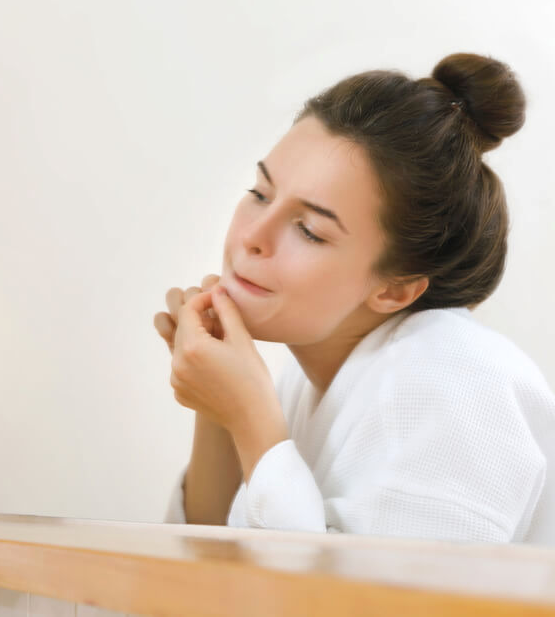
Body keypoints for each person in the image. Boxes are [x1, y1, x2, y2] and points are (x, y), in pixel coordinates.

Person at [155, 53, 555, 544]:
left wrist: (249, 415)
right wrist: (219, 408)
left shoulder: (457, 378)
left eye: (309, 230)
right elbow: (195, 572)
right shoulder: (313, 381)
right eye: (260, 194)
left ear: (396, 288)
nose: (252, 236)